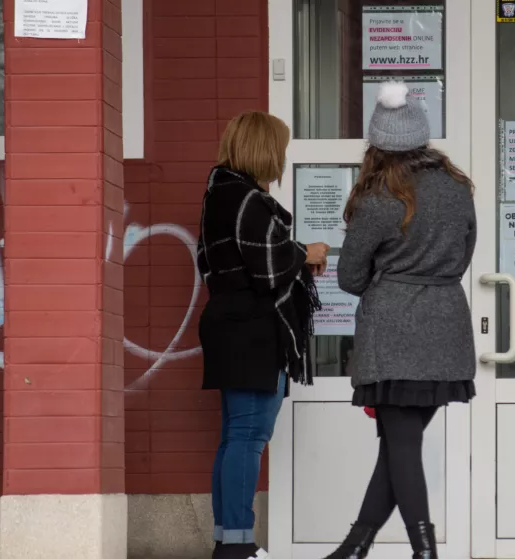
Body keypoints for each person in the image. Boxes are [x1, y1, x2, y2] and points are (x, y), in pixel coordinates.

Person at [326, 82, 477, 559]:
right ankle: (355, 547)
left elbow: (350, 277)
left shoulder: (378, 199)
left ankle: (423, 552)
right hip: (447, 329)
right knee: (399, 446)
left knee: (401, 447)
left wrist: (389, 273)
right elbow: (464, 255)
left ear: (377, 146)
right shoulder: (458, 189)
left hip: (391, 334)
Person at [197, 111, 328, 559]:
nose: (283, 157)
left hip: (229, 323)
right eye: (281, 147)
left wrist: (292, 254)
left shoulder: (219, 194)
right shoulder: (248, 200)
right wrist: (305, 252)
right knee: (248, 437)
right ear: (266, 149)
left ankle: (227, 541)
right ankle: (238, 547)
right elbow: (269, 268)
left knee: (235, 436)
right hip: (252, 329)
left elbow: (213, 263)